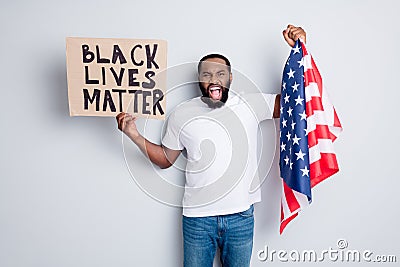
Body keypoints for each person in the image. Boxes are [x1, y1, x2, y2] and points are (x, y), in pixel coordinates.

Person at [116, 24, 306, 267]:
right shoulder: (181, 113)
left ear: (230, 78)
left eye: (220, 73)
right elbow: (165, 159)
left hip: (240, 217)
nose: (213, 79)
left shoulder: (250, 104)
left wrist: (299, 53)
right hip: (197, 220)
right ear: (199, 80)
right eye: (206, 74)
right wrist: (132, 133)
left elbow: (296, 103)